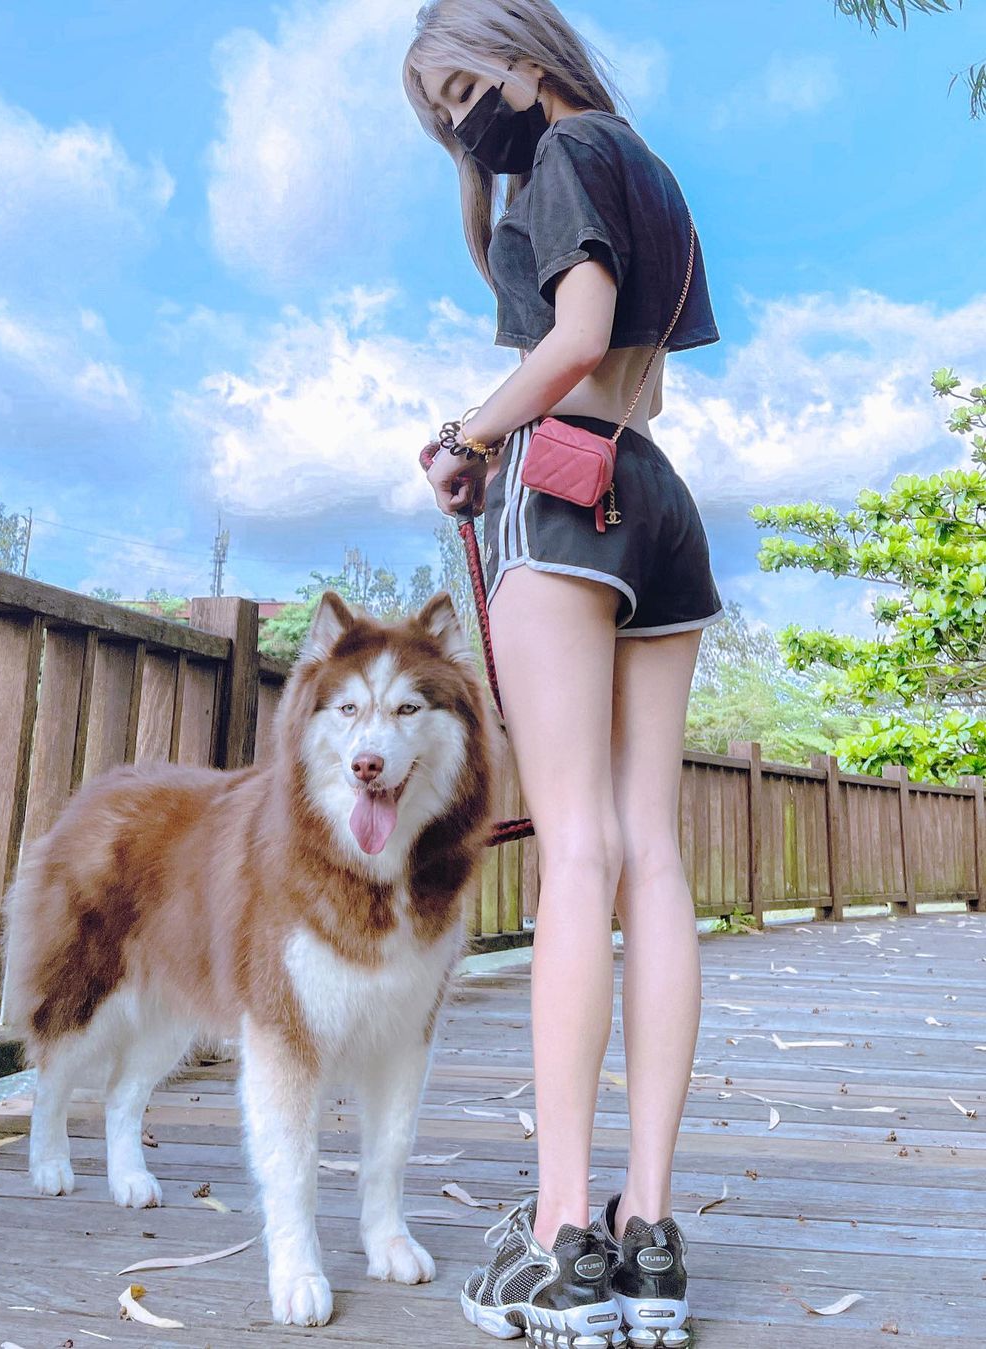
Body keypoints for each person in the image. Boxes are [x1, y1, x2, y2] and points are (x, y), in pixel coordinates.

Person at [404, 3, 725, 1345]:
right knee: (651, 851)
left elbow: (578, 334)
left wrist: (467, 437)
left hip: (566, 489)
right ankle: (647, 1234)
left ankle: (558, 1239)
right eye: (438, 111)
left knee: (580, 850)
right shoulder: (646, 165)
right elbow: (630, 349)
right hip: (659, 495)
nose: (458, 121)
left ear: (524, 59)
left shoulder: (563, 156)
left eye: (461, 88)